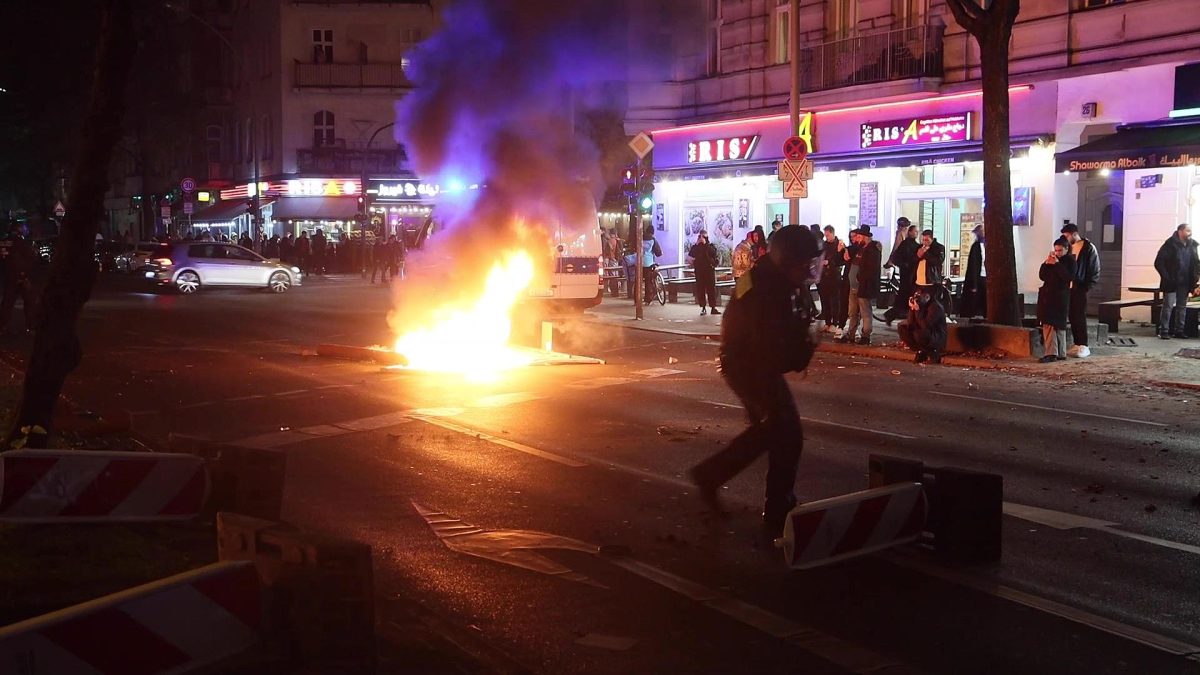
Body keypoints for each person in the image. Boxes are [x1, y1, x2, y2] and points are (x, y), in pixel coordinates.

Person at [688, 225, 820, 533]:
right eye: (804, 263)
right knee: (786, 430)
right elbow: (775, 348)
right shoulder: (761, 289)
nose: (809, 270)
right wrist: (805, 344)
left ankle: (716, 478)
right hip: (746, 364)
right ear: (786, 260)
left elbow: (799, 321)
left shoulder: (784, 282)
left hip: (758, 363)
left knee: (775, 431)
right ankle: (776, 510)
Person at [1061, 222, 1100, 358]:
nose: (1065, 238)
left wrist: (1086, 286)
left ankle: (1083, 344)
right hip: (1069, 287)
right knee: (1072, 315)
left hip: (1080, 287)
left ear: (1074, 234)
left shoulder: (1088, 248)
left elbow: (1094, 269)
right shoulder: (1068, 248)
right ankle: (1077, 343)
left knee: (1080, 315)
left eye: (1067, 236)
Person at [1153, 223, 1199, 339]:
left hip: (1185, 281)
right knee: (1168, 306)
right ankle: (1164, 331)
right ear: (1180, 231)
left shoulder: (1192, 245)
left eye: (1190, 231)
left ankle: (1179, 330)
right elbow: (1159, 262)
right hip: (1172, 281)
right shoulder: (1170, 244)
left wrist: (1195, 279)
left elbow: (1196, 263)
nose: (1190, 233)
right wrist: (1166, 277)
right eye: (1187, 231)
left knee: (1181, 307)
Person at [838, 225, 881, 345]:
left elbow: (871, 269)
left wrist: (859, 278)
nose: (856, 239)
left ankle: (866, 335)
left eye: (859, 236)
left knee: (865, 312)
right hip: (853, 287)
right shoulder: (859, 248)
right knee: (852, 313)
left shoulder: (872, 250)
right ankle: (851, 334)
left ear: (865, 237)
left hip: (863, 287)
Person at [1037, 237, 1077, 362]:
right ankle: (1055, 352)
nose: (1057, 253)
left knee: (1058, 325)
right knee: (1049, 325)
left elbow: (1068, 277)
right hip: (1048, 296)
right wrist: (1045, 263)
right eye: (1055, 250)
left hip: (1059, 296)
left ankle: (1055, 353)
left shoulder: (1070, 261)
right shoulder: (1053, 260)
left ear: (1066, 249)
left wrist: (1057, 264)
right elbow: (1042, 276)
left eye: (1060, 250)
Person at [0, 224, 36, 334]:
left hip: (8, 277)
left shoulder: (3, 242)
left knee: (7, 303)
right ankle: (31, 327)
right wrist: (23, 276)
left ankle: (2, 326)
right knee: (29, 303)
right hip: (20, 277)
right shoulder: (21, 242)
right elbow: (24, 259)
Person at [898, 289, 948, 364]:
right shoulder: (921, 305)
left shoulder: (935, 307)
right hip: (925, 333)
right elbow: (911, 324)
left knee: (919, 333)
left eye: (919, 297)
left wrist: (918, 310)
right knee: (903, 329)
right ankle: (921, 351)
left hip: (936, 336)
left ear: (927, 297)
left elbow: (925, 326)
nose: (917, 299)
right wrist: (912, 309)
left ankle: (933, 353)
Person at [884, 221, 919, 326]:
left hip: (909, 274)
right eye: (915, 231)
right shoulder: (906, 243)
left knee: (905, 297)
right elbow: (897, 255)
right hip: (908, 275)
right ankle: (893, 315)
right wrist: (904, 265)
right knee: (905, 297)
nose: (917, 233)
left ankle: (894, 315)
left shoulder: (912, 244)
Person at [817, 226, 846, 334]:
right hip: (824, 275)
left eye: (828, 235)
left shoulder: (839, 244)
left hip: (834, 276)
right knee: (825, 300)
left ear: (832, 233)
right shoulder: (825, 245)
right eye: (825, 235)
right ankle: (828, 322)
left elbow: (841, 259)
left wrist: (829, 262)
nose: (826, 237)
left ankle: (835, 322)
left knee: (834, 300)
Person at [688, 229, 721, 316]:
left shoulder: (710, 246)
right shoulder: (696, 247)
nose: (701, 238)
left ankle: (713, 307)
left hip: (709, 270)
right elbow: (691, 254)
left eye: (704, 236)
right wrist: (697, 244)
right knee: (700, 289)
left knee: (711, 289)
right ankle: (703, 307)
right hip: (699, 271)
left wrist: (705, 244)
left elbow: (713, 253)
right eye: (700, 236)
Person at [961, 224, 988, 319]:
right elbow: (973, 266)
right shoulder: (976, 247)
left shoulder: (988, 245)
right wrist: (973, 284)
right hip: (979, 277)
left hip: (986, 277)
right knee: (974, 301)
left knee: (986, 301)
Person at [641, 224, 662, 305]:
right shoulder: (653, 240)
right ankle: (647, 300)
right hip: (648, 263)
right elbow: (658, 252)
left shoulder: (640, 238)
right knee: (648, 281)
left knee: (638, 281)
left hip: (639, 262)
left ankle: (637, 299)